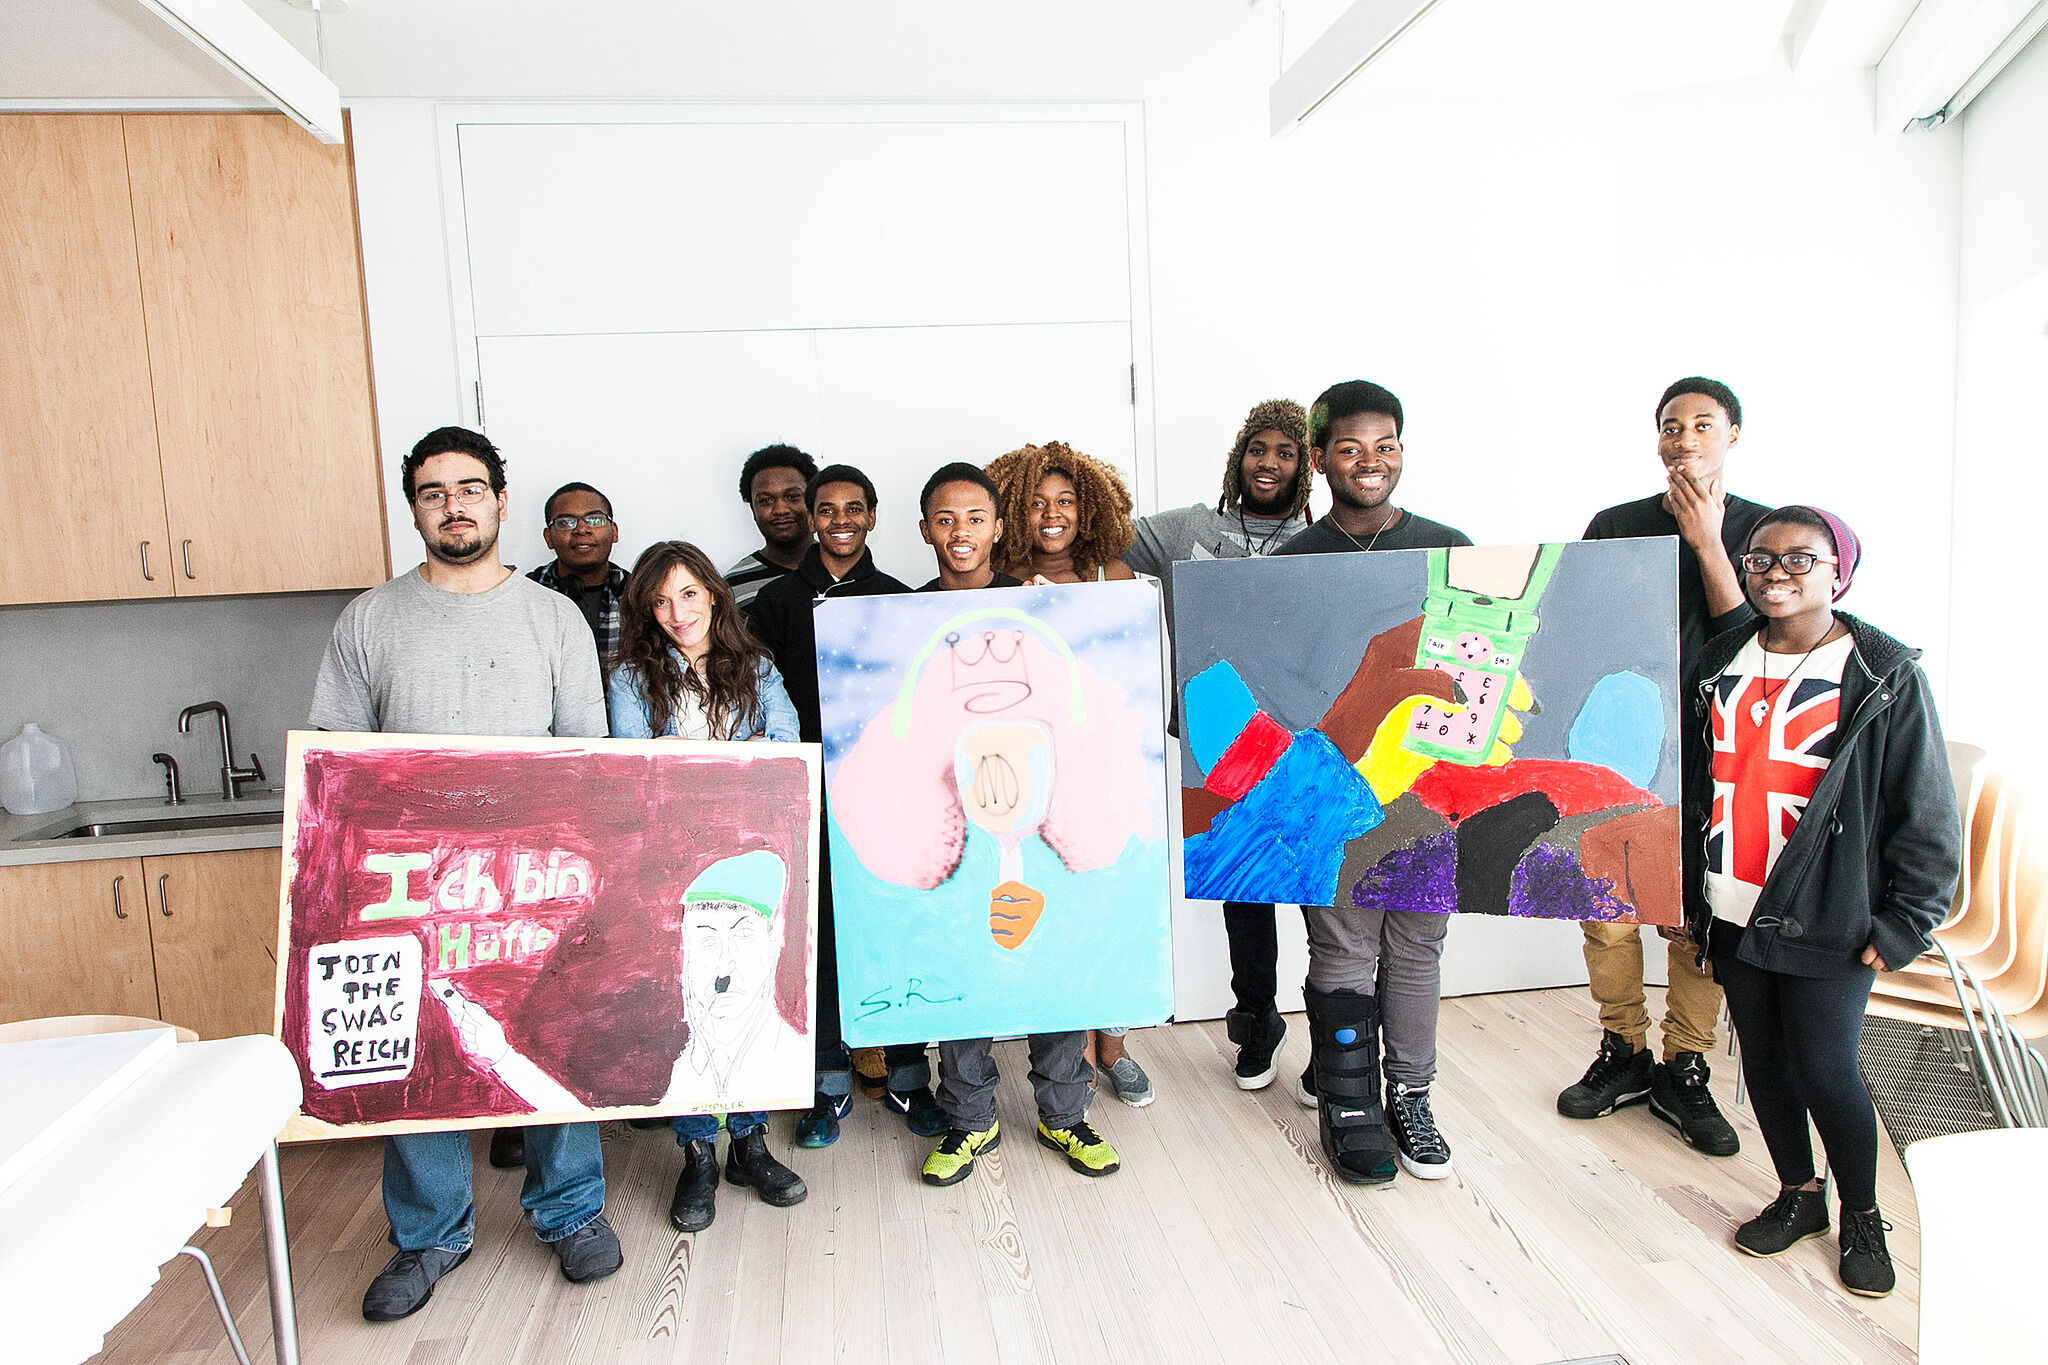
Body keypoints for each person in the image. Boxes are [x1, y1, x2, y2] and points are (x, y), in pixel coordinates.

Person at [309, 425, 621, 1321]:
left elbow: (586, 760)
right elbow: (335, 762)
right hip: (406, 883)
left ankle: (569, 1210)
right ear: (414, 506)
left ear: (500, 500)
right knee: (418, 1055)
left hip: (532, 880)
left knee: (551, 1041)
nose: (455, 504)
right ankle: (429, 1234)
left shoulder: (553, 617)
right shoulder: (369, 620)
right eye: (435, 491)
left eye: (470, 488)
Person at [1691, 506, 1959, 1298]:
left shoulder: (1882, 673)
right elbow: (1694, 781)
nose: (1777, 573)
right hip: (1732, 897)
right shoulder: (1721, 657)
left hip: (1829, 908)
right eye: (1761, 559)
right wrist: (1684, 889)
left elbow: (1927, 805)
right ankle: (1800, 1195)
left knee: (1826, 1065)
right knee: (1764, 1060)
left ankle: (1865, 1212)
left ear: (1839, 569)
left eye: (1800, 559)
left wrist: (1910, 916)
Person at [1558, 378, 1769, 1157]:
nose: (1684, 437)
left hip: (1722, 754)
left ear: (1733, 435)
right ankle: (1624, 1049)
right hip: (1624, 747)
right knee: (1607, 905)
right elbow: (1580, 630)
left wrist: (1708, 536)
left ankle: (1685, 1064)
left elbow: (1748, 643)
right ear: (1656, 440)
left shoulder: (1764, 531)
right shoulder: (1616, 525)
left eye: (1702, 424)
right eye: (1671, 425)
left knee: (1700, 920)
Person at [1272, 380, 1472, 1186]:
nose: (1370, 462)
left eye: (1384, 446)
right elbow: (1282, 682)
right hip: (1335, 786)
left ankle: (1412, 1093)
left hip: (1429, 786)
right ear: (1319, 459)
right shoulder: (1292, 563)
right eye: (1350, 448)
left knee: (1418, 940)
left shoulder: (1450, 547)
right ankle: (1349, 1100)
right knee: (1345, 941)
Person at [910, 461, 1122, 1187]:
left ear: (1001, 527)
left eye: (975, 519)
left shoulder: (1039, 604)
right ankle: (970, 1119)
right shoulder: (899, 617)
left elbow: (1084, 703)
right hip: (951, 820)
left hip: (1040, 811)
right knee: (959, 962)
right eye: (945, 519)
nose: (960, 533)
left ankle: (1066, 1112)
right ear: (925, 530)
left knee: (1052, 961)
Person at [608, 540, 811, 1231]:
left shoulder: (755, 667)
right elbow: (635, 768)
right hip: (670, 864)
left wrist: (696, 767)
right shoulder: (632, 677)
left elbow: (786, 746)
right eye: (660, 600)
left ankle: (749, 1144)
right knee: (690, 1002)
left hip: (753, 853)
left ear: (716, 595)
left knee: (750, 990)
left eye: (688, 594)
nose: (676, 611)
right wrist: (726, 765)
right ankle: (696, 1152)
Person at [1119, 398, 1315, 1091]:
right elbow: (1100, 536)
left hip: (1306, 737)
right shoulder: (1189, 529)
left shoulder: (1323, 538)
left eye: (1285, 452)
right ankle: (1256, 1021)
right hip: (1219, 737)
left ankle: (1334, 1035)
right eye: (1258, 449)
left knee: (1325, 889)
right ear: (1239, 455)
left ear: (1306, 463)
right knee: (1245, 887)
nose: (1269, 463)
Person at [747, 464, 942, 1145]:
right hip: (807, 794)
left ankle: (910, 1076)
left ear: (873, 515)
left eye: (853, 507)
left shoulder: (900, 598)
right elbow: (756, 697)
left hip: (890, 792)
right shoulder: (773, 601)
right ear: (812, 517)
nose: (838, 519)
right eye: (825, 508)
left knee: (896, 928)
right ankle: (827, 1084)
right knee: (821, 937)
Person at [983, 441, 1153, 1107]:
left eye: (1065, 502)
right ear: (1011, 512)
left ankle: (1114, 1045)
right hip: (1033, 769)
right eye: (1035, 503)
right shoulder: (998, 580)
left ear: (1088, 509)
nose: (1051, 515)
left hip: (1106, 763)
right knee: (1060, 908)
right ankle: (1072, 1051)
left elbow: (1137, 669)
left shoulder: (1116, 576)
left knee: (1110, 902)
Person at [525, 481, 627, 671]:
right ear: (548, 538)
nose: (582, 529)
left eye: (595, 519)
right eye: (565, 522)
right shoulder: (523, 594)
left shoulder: (639, 593)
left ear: (614, 532)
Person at [725, 444, 819, 610]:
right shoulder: (731, 588)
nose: (780, 510)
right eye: (765, 500)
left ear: (813, 501)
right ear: (753, 509)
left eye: (792, 496)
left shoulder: (849, 570)